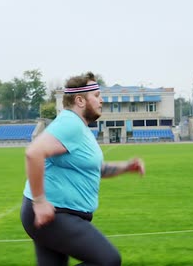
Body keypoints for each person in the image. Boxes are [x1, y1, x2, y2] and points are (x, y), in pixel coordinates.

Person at [21, 72, 145, 266]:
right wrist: (40, 202)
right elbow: (34, 153)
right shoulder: (70, 123)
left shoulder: (79, 128)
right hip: (54, 214)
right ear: (80, 100)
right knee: (107, 260)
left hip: (54, 215)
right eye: (96, 95)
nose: (101, 100)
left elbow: (94, 169)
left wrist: (126, 167)